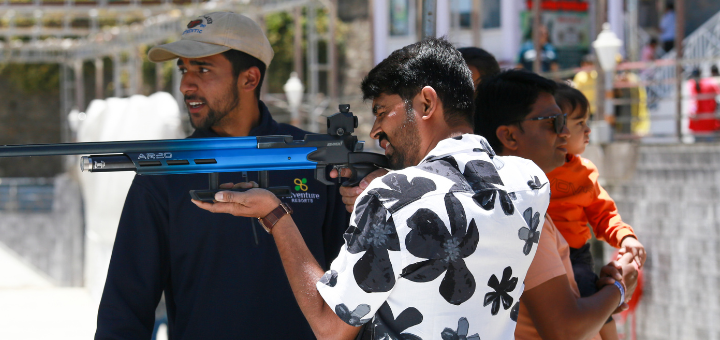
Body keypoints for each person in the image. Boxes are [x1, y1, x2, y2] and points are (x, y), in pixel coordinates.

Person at [194, 37, 561, 339]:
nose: (375, 131)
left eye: (383, 111)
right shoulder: (529, 182)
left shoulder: (392, 199)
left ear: (427, 103)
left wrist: (274, 215)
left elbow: (329, 326)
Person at [94, 11, 350, 339]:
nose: (186, 84)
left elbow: (353, 286)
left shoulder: (313, 159)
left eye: (203, 69)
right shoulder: (163, 174)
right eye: (184, 70)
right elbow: (124, 307)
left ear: (249, 79)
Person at [473, 70, 639, 340]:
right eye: (553, 122)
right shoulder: (518, 211)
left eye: (565, 120)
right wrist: (620, 288)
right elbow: (564, 329)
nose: (565, 133)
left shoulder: (503, 197)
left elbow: (603, 211)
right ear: (509, 137)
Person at [547, 83, 647, 339]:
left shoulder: (584, 172)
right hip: (541, 254)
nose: (588, 129)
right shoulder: (531, 165)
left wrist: (625, 236)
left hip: (575, 255)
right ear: (555, 128)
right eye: (580, 123)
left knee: (593, 297)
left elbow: (604, 213)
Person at [686, 68, 720, 139]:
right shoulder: (710, 83)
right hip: (710, 124)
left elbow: (693, 103)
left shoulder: (692, 84)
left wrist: (693, 113)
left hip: (697, 124)